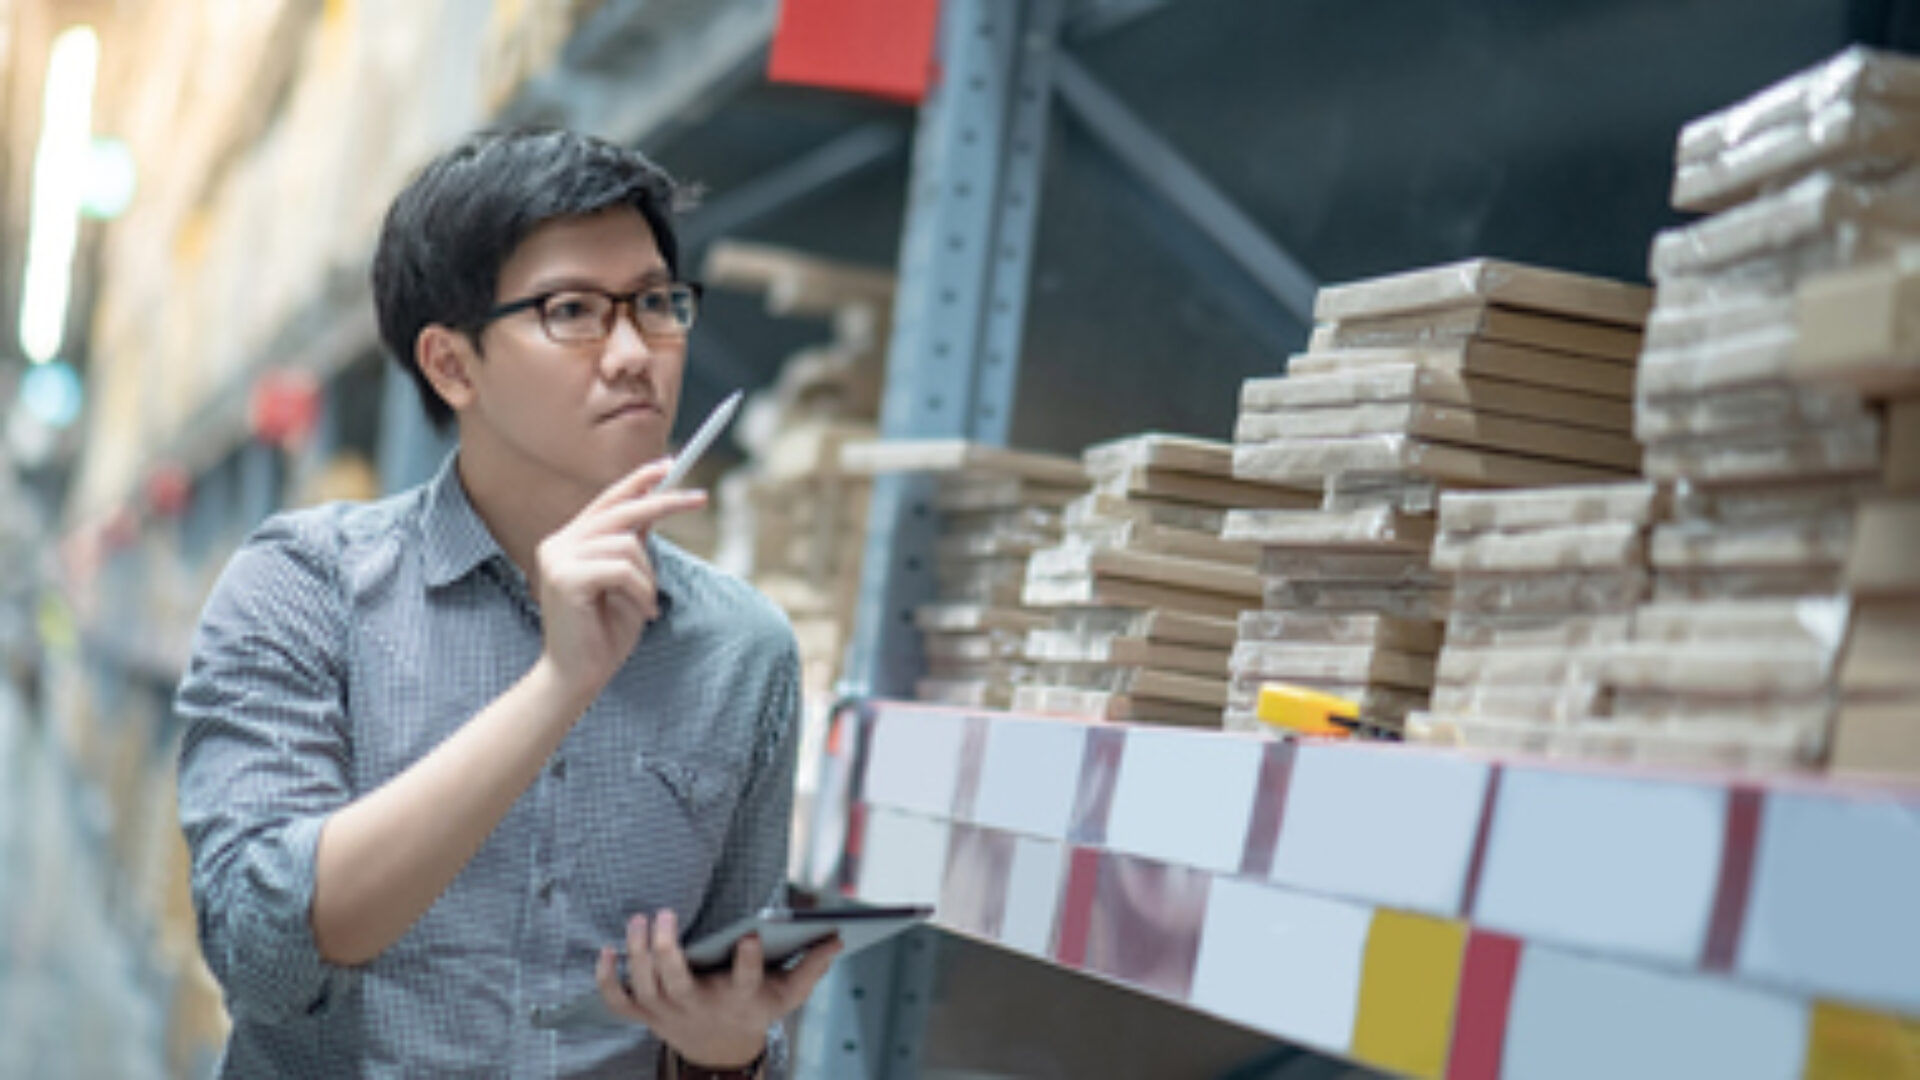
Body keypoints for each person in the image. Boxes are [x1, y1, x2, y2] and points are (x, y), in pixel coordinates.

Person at [175, 128, 838, 1079]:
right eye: (573, 310)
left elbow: (727, 1011)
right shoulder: (307, 586)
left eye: (656, 304)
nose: (633, 353)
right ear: (452, 364)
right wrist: (558, 684)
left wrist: (730, 1052)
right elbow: (260, 954)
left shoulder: (744, 649)